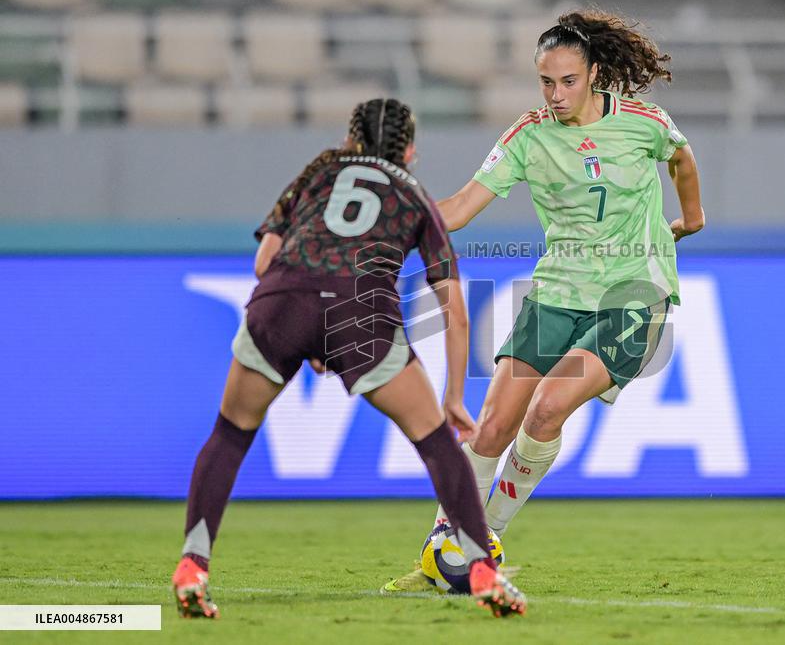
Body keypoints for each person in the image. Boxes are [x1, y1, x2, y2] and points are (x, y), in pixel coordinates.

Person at [384, 10, 704, 591]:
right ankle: (441, 547)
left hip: (635, 293)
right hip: (557, 291)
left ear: (595, 74)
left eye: (568, 81)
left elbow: (681, 157)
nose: (555, 95)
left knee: (548, 407)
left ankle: (484, 538)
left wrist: (692, 217)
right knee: (492, 426)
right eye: (546, 82)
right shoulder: (528, 136)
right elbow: (459, 208)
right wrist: (397, 219)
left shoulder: (644, 122)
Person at [171, 98, 526, 619]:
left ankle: (193, 565)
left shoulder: (317, 173)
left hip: (283, 301)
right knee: (436, 443)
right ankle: (482, 572)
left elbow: (265, 260)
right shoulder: (413, 194)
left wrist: (306, 331)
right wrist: (453, 396)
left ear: (350, 139)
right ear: (410, 150)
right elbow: (453, 306)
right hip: (361, 311)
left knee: (229, 435)